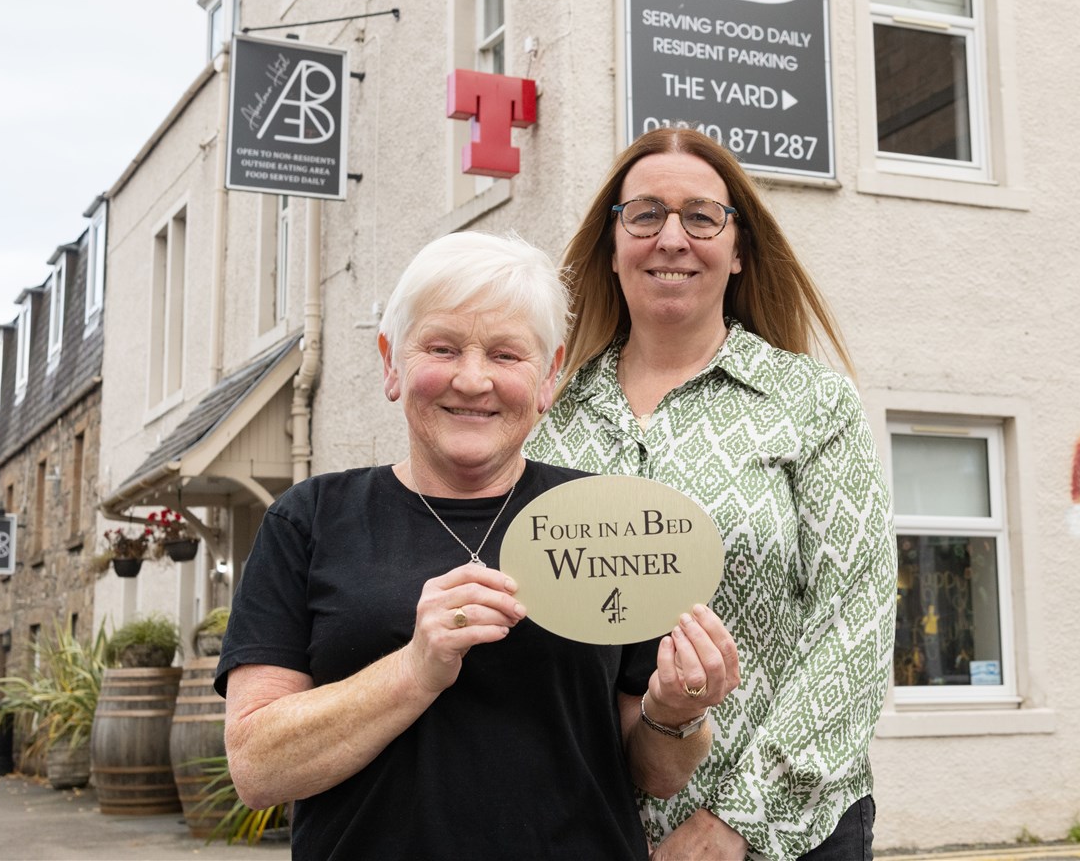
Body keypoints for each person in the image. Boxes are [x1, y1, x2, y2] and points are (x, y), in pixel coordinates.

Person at [216, 230, 741, 861]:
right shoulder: (310, 521)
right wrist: (414, 670)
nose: (473, 379)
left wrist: (675, 711)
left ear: (548, 376)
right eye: (442, 347)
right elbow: (257, 769)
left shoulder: (608, 522)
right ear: (391, 363)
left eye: (505, 355)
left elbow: (655, 774)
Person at [526, 128, 896, 861]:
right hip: (584, 828)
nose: (671, 237)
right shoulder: (549, 415)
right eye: (644, 215)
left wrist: (738, 823)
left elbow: (855, 625)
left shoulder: (812, 403)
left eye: (701, 216)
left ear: (739, 251)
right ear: (612, 245)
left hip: (790, 834)